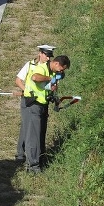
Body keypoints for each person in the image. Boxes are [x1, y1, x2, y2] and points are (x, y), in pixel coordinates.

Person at [14, 45, 72, 173]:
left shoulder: (50, 70)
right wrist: (50, 79)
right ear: (56, 63)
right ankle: (33, 165)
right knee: (32, 136)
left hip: (42, 104)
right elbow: (34, 78)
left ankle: (39, 159)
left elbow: (46, 87)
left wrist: (53, 89)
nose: (61, 72)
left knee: (39, 134)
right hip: (33, 104)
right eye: (61, 69)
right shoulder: (38, 67)